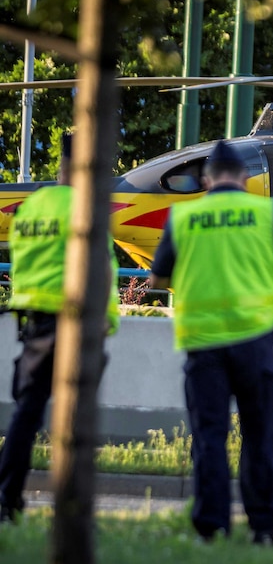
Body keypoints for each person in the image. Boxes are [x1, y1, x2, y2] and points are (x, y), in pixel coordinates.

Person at [150, 140, 273, 545]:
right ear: (244, 177)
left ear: (206, 179)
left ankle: (210, 528)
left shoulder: (183, 217)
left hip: (202, 344)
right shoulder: (265, 212)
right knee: (259, 438)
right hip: (255, 342)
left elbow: (157, 281)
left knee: (209, 438)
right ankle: (264, 528)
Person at [0, 133, 119, 523]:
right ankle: (71, 508)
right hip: (77, 322)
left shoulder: (32, 207)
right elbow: (99, 266)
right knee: (76, 421)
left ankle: (7, 498)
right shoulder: (87, 208)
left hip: (35, 323)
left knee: (27, 413)